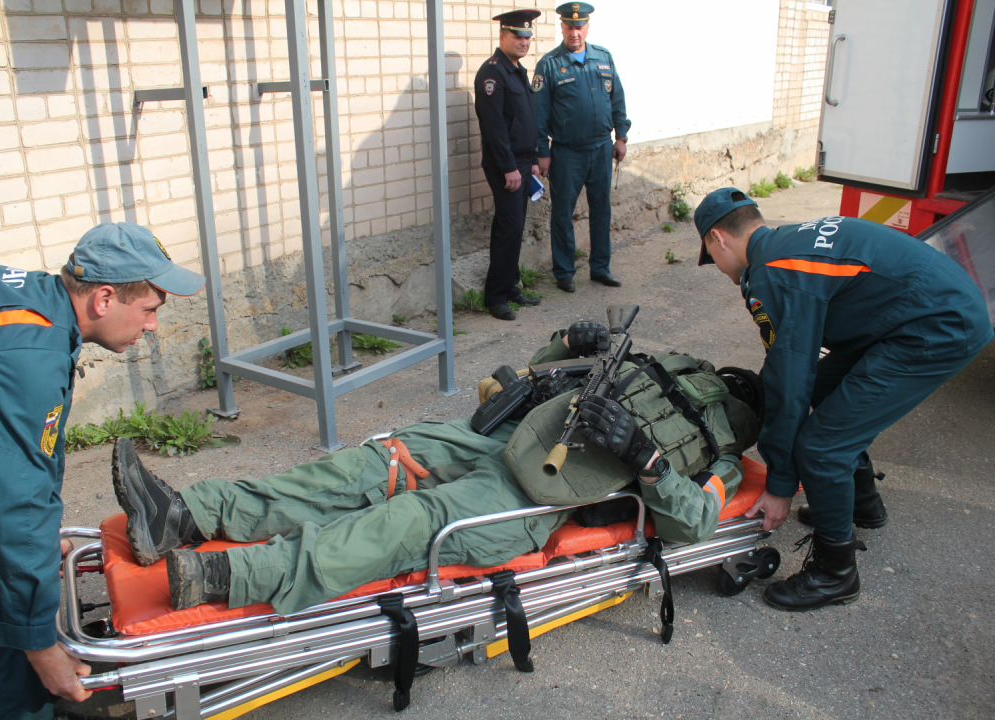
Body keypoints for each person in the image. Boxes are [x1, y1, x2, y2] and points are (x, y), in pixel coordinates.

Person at [111, 322, 763, 615]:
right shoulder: (653, 367)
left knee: (411, 521)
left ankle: (228, 575)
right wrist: (568, 344)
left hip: (546, 492)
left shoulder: (721, 455)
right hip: (508, 434)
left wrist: (646, 460)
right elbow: (541, 378)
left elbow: (696, 521)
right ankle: (186, 514)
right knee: (374, 464)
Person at [0, 223, 206, 720]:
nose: (153, 325)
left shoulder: (42, 312)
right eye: (150, 309)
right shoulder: (26, 356)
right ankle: (18, 705)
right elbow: (15, 498)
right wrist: (39, 645)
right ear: (104, 298)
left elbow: (31, 454)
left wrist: (42, 534)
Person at [694, 187, 994, 612]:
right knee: (824, 389)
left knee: (820, 447)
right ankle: (861, 503)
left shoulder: (773, 271)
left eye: (712, 258)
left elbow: (788, 378)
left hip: (937, 325)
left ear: (718, 239)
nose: (720, 270)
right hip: (929, 307)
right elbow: (798, 371)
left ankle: (835, 574)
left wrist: (781, 482)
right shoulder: (788, 241)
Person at [532, 2, 630, 293]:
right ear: (561, 27)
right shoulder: (548, 65)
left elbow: (618, 100)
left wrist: (621, 136)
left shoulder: (603, 57)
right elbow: (540, 114)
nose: (575, 32)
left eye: (580, 26)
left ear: (587, 26)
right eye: (569, 26)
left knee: (602, 211)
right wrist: (543, 152)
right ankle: (564, 272)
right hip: (567, 152)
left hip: (601, 148)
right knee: (562, 213)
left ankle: (600, 268)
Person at [474, 9, 544, 322]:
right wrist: (509, 167)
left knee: (514, 228)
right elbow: (494, 127)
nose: (524, 41)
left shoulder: (517, 71)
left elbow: (524, 122)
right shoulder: (492, 74)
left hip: (521, 163)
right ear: (502, 36)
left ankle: (511, 285)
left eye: (528, 36)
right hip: (505, 166)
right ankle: (496, 296)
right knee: (508, 227)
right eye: (517, 36)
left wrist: (530, 162)